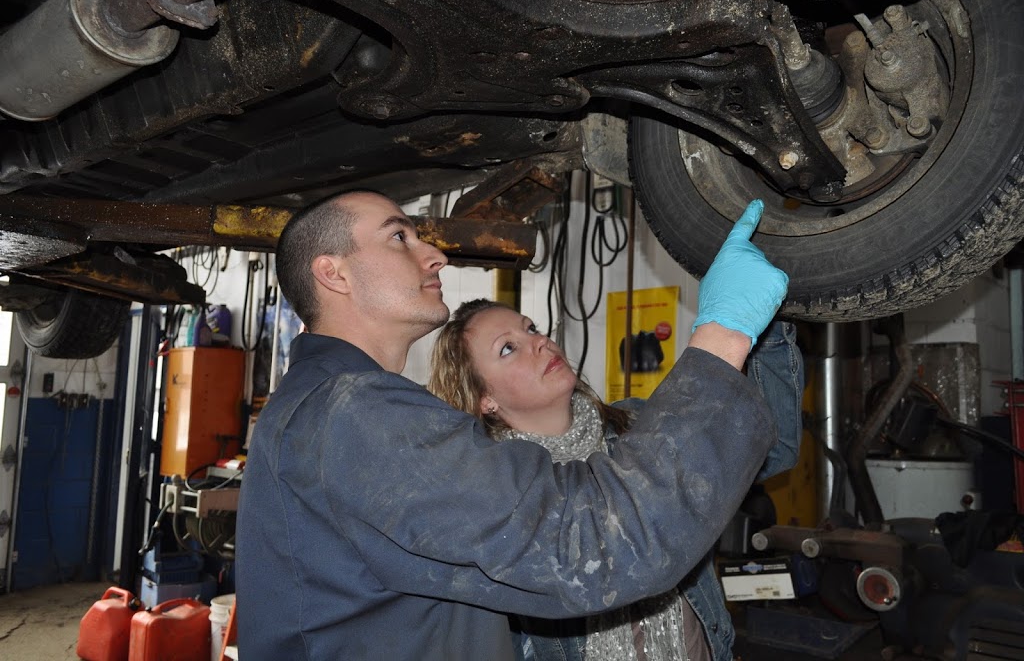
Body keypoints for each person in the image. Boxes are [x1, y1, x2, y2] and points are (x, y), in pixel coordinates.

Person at [236, 190, 789, 660]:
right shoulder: (352, 412)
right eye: (400, 237)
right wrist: (723, 334)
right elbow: (594, 546)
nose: (435, 256)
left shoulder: (330, 407)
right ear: (333, 273)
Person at [428, 302, 804, 661]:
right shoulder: (496, 495)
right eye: (508, 348)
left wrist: (760, 322)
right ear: (484, 399)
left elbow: (774, 449)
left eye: (531, 329)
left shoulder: (642, 429)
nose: (538, 341)